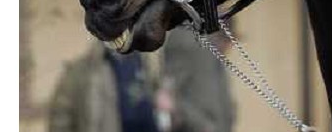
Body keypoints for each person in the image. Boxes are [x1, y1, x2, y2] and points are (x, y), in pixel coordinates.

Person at [48, 26, 235, 132]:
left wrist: (174, 109)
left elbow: (205, 122)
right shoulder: (81, 74)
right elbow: (60, 124)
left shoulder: (156, 65)